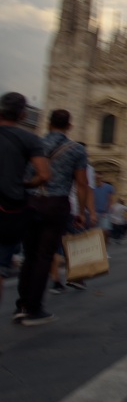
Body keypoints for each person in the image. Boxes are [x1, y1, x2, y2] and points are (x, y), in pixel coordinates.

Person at [16, 109, 90, 326]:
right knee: (44, 256)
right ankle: (34, 309)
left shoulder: (33, 143)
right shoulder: (77, 149)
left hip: (31, 202)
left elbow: (25, 175)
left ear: (48, 124)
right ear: (69, 126)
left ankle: (21, 305)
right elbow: (82, 184)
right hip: (56, 205)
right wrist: (81, 212)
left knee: (29, 255)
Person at [0, 93, 50, 311]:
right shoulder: (29, 139)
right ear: (23, 115)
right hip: (7, 208)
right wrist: (26, 184)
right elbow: (44, 175)